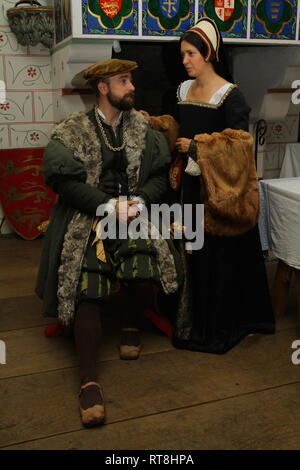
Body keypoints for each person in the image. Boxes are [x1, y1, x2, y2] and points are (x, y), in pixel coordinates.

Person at [35, 59, 182, 427]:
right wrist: (105, 205)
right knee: (87, 285)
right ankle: (88, 380)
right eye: (123, 80)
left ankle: (131, 323)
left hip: (132, 215)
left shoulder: (143, 130)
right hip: (90, 217)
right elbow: (65, 184)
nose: (131, 86)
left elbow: (160, 177)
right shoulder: (72, 130)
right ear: (103, 88)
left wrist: (141, 201)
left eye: (130, 79)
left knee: (147, 264)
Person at [169, 18, 275, 354]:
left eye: (190, 54)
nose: (184, 60)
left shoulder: (231, 95)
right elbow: (177, 129)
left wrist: (197, 146)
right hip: (188, 185)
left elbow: (240, 147)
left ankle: (216, 326)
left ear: (208, 53)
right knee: (189, 250)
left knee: (216, 256)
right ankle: (189, 321)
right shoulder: (183, 90)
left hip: (219, 193)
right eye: (182, 54)